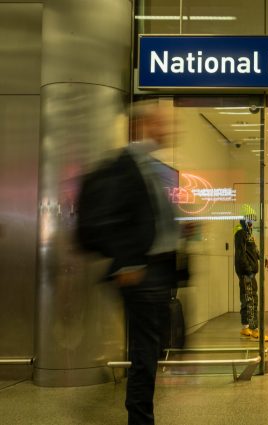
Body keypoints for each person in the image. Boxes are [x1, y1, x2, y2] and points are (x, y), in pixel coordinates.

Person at [85, 101, 180, 425]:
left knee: (152, 349)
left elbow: (147, 219)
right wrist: (127, 263)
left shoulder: (150, 167)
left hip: (158, 271)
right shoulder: (126, 166)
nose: (166, 130)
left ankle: (141, 414)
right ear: (140, 128)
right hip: (140, 273)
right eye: (159, 124)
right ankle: (140, 419)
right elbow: (111, 217)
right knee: (145, 353)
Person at [234, 215, 268, 341]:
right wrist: (248, 270)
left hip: (249, 273)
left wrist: (263, 258)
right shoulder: (240, 234)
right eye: (250, 222)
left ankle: (245, 327)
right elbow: (241, 254)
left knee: (247, 299)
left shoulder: (248, 234)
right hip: (246, 273)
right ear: (245, 222)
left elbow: (254, 250)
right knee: (251, 300)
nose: (252, 224)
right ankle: (255, 330)